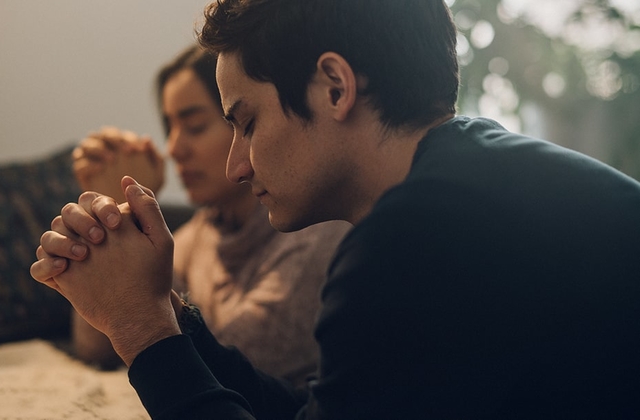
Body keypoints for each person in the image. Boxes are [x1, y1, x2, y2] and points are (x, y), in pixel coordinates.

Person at [31, 0, 640, 418]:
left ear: (334, 87)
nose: (235, 166)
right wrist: (164, 309)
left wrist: (143, 332)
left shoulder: (413, 238)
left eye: (245, 122)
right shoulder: (465, 182)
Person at [67, 45, 350, 384]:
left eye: (196, 126)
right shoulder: (195, 236)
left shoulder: (317, 229)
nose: (173, 148)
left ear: (241, 123)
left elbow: (241, 359)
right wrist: (114, 218)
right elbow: (94, 346)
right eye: (169, 127)